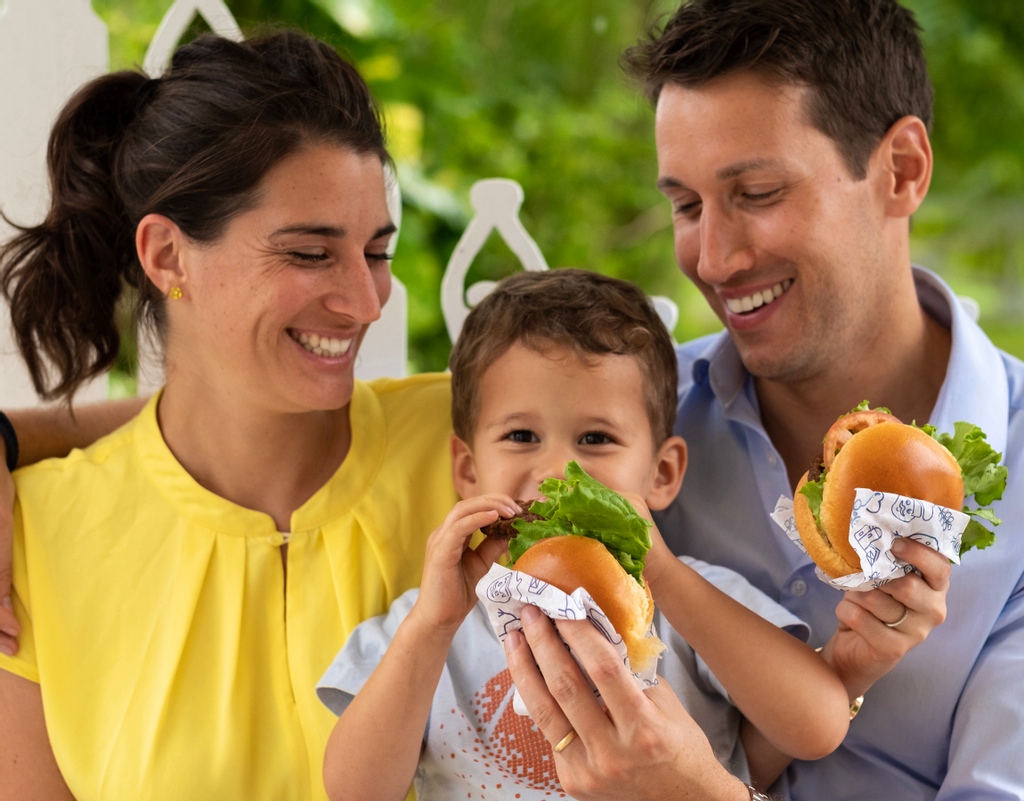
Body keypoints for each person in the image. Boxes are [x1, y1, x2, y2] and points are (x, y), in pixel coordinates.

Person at [506, 1, 1023, 799]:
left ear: (902, 171)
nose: (711, 258)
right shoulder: (621, 430)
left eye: (756, 192)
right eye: (686, 205)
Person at [0, 31, 457, 800]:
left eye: (376, 251)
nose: (366, 299)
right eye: (311, 253)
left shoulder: (479, 444)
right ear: (169, 256)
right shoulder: (38, 537)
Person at [316, 268, 850, 801]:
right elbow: (354, 791)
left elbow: (817, 726)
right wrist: (432, 624)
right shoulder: (430, 620)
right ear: (467, 470)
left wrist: (659, 570)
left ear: (661, 474)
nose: (557, 469)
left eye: (596, 438)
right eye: (521, 435)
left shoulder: (689, 598)